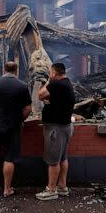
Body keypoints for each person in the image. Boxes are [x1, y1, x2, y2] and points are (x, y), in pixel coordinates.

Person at [0, 61, 32, 197]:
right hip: (13, 127)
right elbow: (28, 108)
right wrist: (20, 119)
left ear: (3, 70)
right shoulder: (22, 86)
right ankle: (7, 190)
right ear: (16, 70)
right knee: (9, 159)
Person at [35, 62, 75, 201]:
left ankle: (51, 189)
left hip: (55, 129)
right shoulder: (67, 83)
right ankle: (62, 186)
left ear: (54, 73)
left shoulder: (56, 84)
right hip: (65, 126)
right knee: (62, 158)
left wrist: (47, 82)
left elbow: (40, 95)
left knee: (53, 161)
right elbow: (52, 98)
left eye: (50, 72)